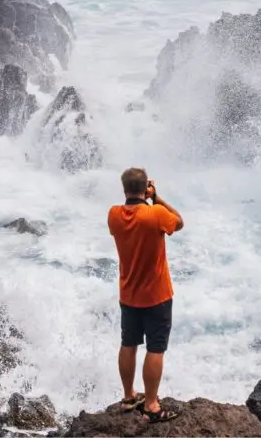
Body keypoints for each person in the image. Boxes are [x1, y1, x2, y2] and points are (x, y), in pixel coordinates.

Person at [107, 167, 184, 422]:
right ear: (145, 189)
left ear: (124, 188)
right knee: (155, 348)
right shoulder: (156, 214)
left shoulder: (114, 215)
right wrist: (156, 198)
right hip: (157, 296)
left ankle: (129, 396)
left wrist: (143, 197)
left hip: (128, 294)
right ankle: (151, 404)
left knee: (128, 344)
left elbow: (130, 215)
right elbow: (179, 221)